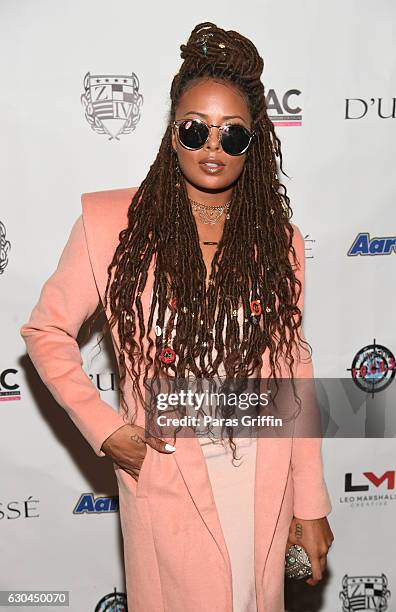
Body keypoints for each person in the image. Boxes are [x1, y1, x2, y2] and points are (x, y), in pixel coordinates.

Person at [20, 21, 334, 612]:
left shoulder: (278, 240)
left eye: (232, 136)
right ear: (171, 133)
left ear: (254, 143)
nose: (212, 147)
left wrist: (311, 505)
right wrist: (106, 428)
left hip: (263, 478)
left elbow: (294, 376)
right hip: (168, 480)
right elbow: (46, 331)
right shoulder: (111, 226)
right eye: (195, 130)